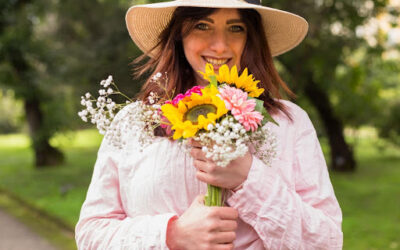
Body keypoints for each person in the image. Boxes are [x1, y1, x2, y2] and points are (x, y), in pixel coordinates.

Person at [75, 0, 343, 249]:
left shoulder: (290, 124)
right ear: (179, 34)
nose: (219, 46)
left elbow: (327, 242)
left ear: (251, 38)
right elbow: (91, 234)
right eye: (202, 26)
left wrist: (248, 179)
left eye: (235, 28)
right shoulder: (132, 122)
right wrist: (172, 234)